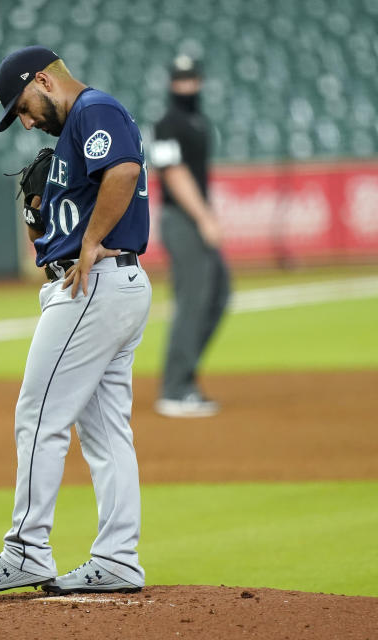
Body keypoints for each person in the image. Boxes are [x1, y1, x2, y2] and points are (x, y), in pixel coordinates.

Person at [0, 46, 152, 595]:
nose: (24, 122)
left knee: (37, 414)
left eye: (22, 107)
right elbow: (54, 232)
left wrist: (89, 241)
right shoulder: (71, 135)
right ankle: (117, 558)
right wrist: (48, 219)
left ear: (43, 80)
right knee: (105, 430)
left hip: (93, 285)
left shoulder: (95, 109)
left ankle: (26, 550)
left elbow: (123, 169)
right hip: (112, 286)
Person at [151, 55, 231, 418]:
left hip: (195, 217)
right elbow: (171, 172)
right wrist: (203, 217)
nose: (187, 85)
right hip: (181, 219)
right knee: (193, 300)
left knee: (217, 295)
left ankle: (184, 376)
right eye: (181, 79)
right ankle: (175, 388)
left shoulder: (199, 121)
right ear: (172, 83)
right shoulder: (167, 123)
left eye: (192, 79)